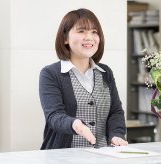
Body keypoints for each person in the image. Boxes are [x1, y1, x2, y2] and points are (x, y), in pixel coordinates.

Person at [39, 8, 128, 149]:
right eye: (81, 31)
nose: (89, 37)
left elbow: (115, 111)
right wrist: (75, 124)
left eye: (94, 32)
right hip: (63, 157)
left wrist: (116, 134)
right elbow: (54, 116)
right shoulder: (50, 73)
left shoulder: (106, 72)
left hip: (102, 156)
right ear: (65, 38)